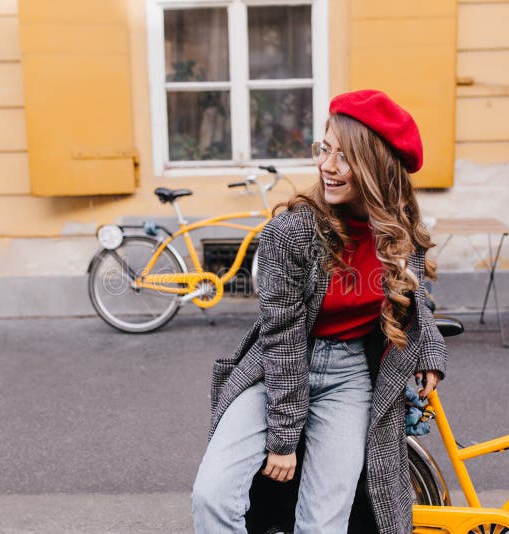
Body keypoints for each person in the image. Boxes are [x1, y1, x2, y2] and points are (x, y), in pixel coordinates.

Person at [192, 89, 448, 534]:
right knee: (212, 496)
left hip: (350, 376)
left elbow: (414, 299)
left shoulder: (402, 232)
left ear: (375, 166)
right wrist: (283, 438)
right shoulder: (290, 233)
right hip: (275, 369)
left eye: (344, 157)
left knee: (325, 522)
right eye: (324, 149)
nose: (327, 166)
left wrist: (430, 351)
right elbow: (283, 340)